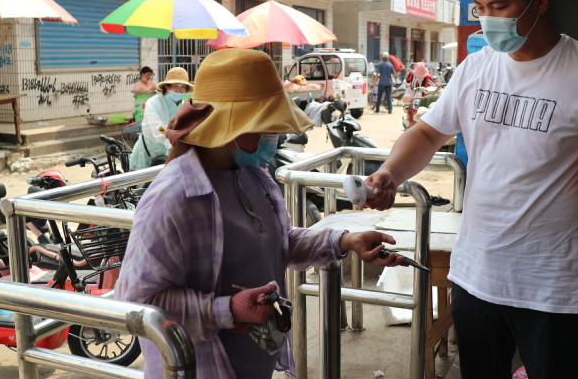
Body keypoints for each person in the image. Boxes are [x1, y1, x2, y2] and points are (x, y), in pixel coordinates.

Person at [365, 0, 578, 379]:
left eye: (500, 6)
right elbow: (428, 133)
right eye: (481, 8)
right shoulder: (475, 69)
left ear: (540, 0)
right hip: (476, 276)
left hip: (551, 286)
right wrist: (390, 172)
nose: (489, 19)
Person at [115, 49, 404, 379]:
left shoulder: (251, 173)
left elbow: (277, 241)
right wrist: (227, 309)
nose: (275, 137)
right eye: (267, 126)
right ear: (234, 126)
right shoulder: (174, 198)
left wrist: (345, 241)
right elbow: (139, 303)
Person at [128, 67, 193, 170]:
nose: (179, 90)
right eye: (175, 86)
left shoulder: (185, 106)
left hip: (174, 153)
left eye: (183, 87)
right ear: (167, 87)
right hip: (149, 154)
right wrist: (173, 140)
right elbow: (159, 128)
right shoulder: (153, 103)